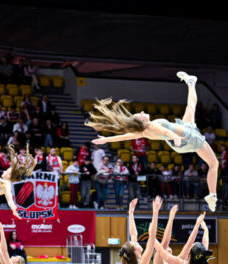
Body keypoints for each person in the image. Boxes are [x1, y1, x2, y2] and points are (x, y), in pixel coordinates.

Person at [88, 72, 219, 211]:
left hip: (185, 134)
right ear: (142, 121)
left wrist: (106, 139)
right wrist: (175, 137)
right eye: (141, 114)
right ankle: (212, 195)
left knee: (191, 107)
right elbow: (165, 132)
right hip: (188, 138)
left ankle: (191, 82)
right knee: (214, 164)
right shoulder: (152, 125)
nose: (142, 112)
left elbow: (125, 137)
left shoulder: (143, 131)